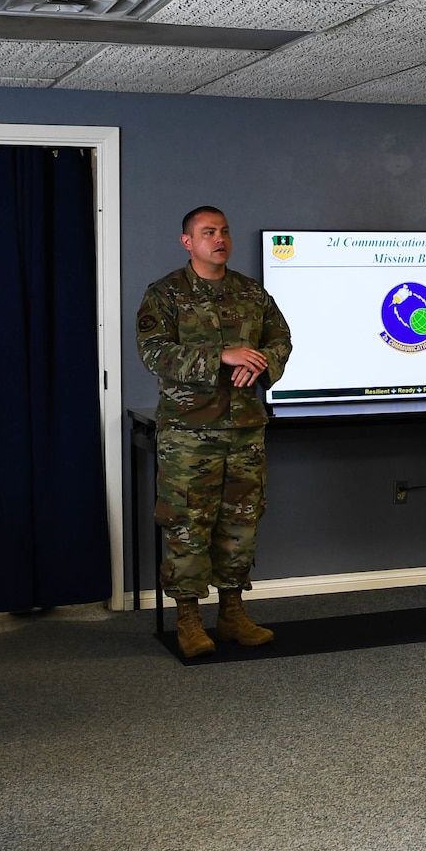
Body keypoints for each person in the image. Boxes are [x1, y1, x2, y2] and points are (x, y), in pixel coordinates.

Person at [136, 206, 292, 658]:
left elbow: (280, 338)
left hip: (244, 430)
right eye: (208, 232)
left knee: (240, 523)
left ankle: (231, 614)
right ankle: (188, 619)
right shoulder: (165, 294)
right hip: (189, 435)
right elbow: (154, 353)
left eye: (224, 231)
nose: (219, 239)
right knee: (187, 524)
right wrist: (221, 355)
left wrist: (262, 363)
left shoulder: (250, 292)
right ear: (188, 241)